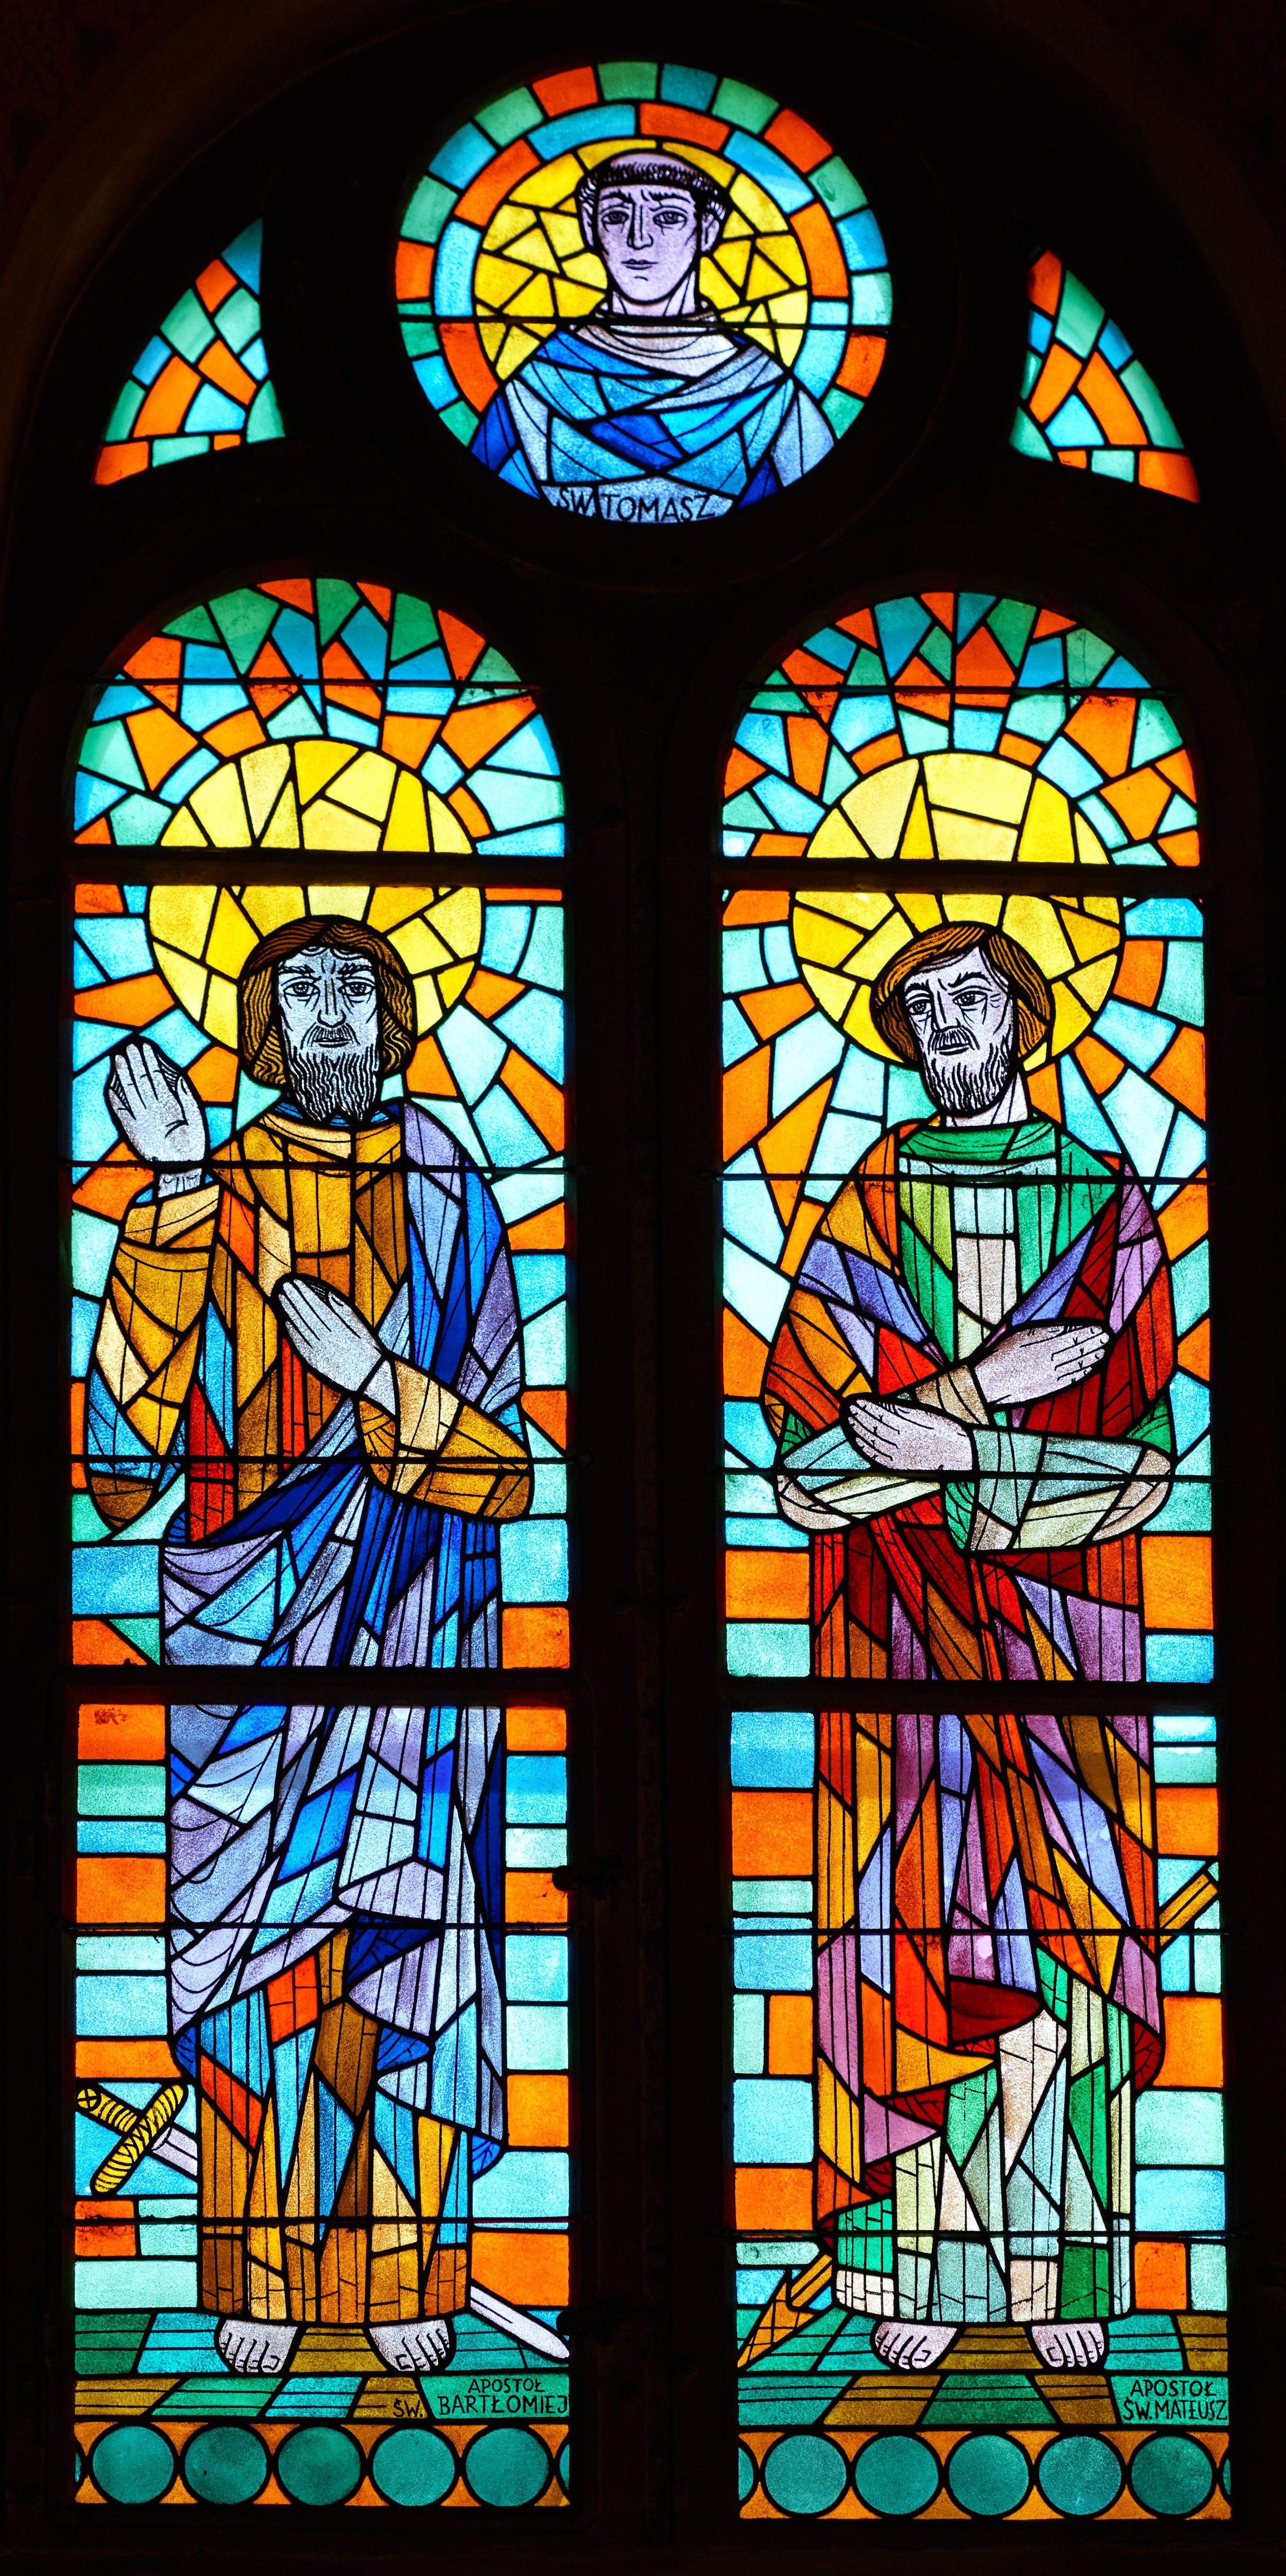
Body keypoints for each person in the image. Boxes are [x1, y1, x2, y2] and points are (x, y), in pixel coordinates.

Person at [87, 917, 532, 2374]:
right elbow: (122, 1462)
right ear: (268, 1027)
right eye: (303, 992)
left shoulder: (455, 1193)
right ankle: (258, 2267)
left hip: (417, 1621)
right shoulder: (209, 1194)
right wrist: (170, 1199)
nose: (332, 1014)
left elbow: (507, 1469)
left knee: (404, 1942)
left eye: (355, 988)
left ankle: (403, 2268)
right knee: (252, 1963)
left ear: (392, 1016)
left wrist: (380, 1381)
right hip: (247, 1625)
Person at [763, 922, 1175, 2369]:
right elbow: (804, 1476)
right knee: (908, 1947)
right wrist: (984, 1395)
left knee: (1065, 1954)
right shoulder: (865, 1215)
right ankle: (914, 2268)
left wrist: (947, 1449)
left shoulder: (1106, 1209)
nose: (946, 1024)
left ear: (1026, 1014)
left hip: (1072, 1653)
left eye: (971, 996)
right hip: (890, 1658)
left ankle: (1062, 2267)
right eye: (920, 1005)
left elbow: (1146, 1469)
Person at [470, 146, 834, 520]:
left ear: (708, 230)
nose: (638, 238)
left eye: (669, 217)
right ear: (589, 227)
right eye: (616, 216)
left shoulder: (768, 390)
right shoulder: (537, 384)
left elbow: (817, 511)